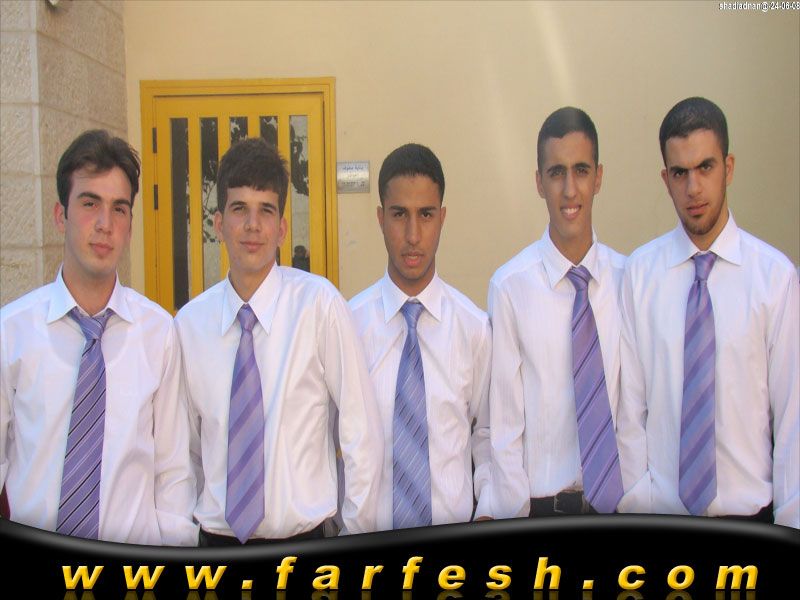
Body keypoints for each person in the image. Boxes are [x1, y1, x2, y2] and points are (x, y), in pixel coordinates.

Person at [175, 137, 383, 545]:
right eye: (239, 209)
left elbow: (361, 432)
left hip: (303, 540)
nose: (252, 225)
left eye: (266, 210)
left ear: (282, 229)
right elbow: (185, 454)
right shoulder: (189, 327)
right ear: (218, 224)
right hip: (216, 543)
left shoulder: (319, 306)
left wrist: (356, 532)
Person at [0, 129, 197, 544]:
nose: (105, 224)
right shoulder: (11, 332)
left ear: (130, 225)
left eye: (119, 209)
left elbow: (173, 472)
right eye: (90, 203)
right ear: (61, 215)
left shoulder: (159, 333)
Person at [616, 97, 799, 527]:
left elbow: (793, 417)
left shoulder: (774, 278)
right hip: (663, 519)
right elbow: (629, 411)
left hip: (749, 519)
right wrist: (639, 505)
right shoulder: (640, 274)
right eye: (680, 173)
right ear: (666, 180)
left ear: (728, 168)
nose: (693, 188)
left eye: (705, 167)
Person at [489, 107, 626, 518]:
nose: (569, 189)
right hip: (544, 511)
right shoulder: (510, 287)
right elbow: (505, 428)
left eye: (581, 171)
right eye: (556, 173)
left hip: (620, 508)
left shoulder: (628, 280)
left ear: (598, 177)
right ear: (539, 182)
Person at [349, 143, 492, 529]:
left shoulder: (474, 329)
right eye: (399, 215)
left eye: (426, 214)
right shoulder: (348, 327)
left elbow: (488, 434)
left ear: (442, 218)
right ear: (380, 218)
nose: (413, 235)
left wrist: (488, 510)